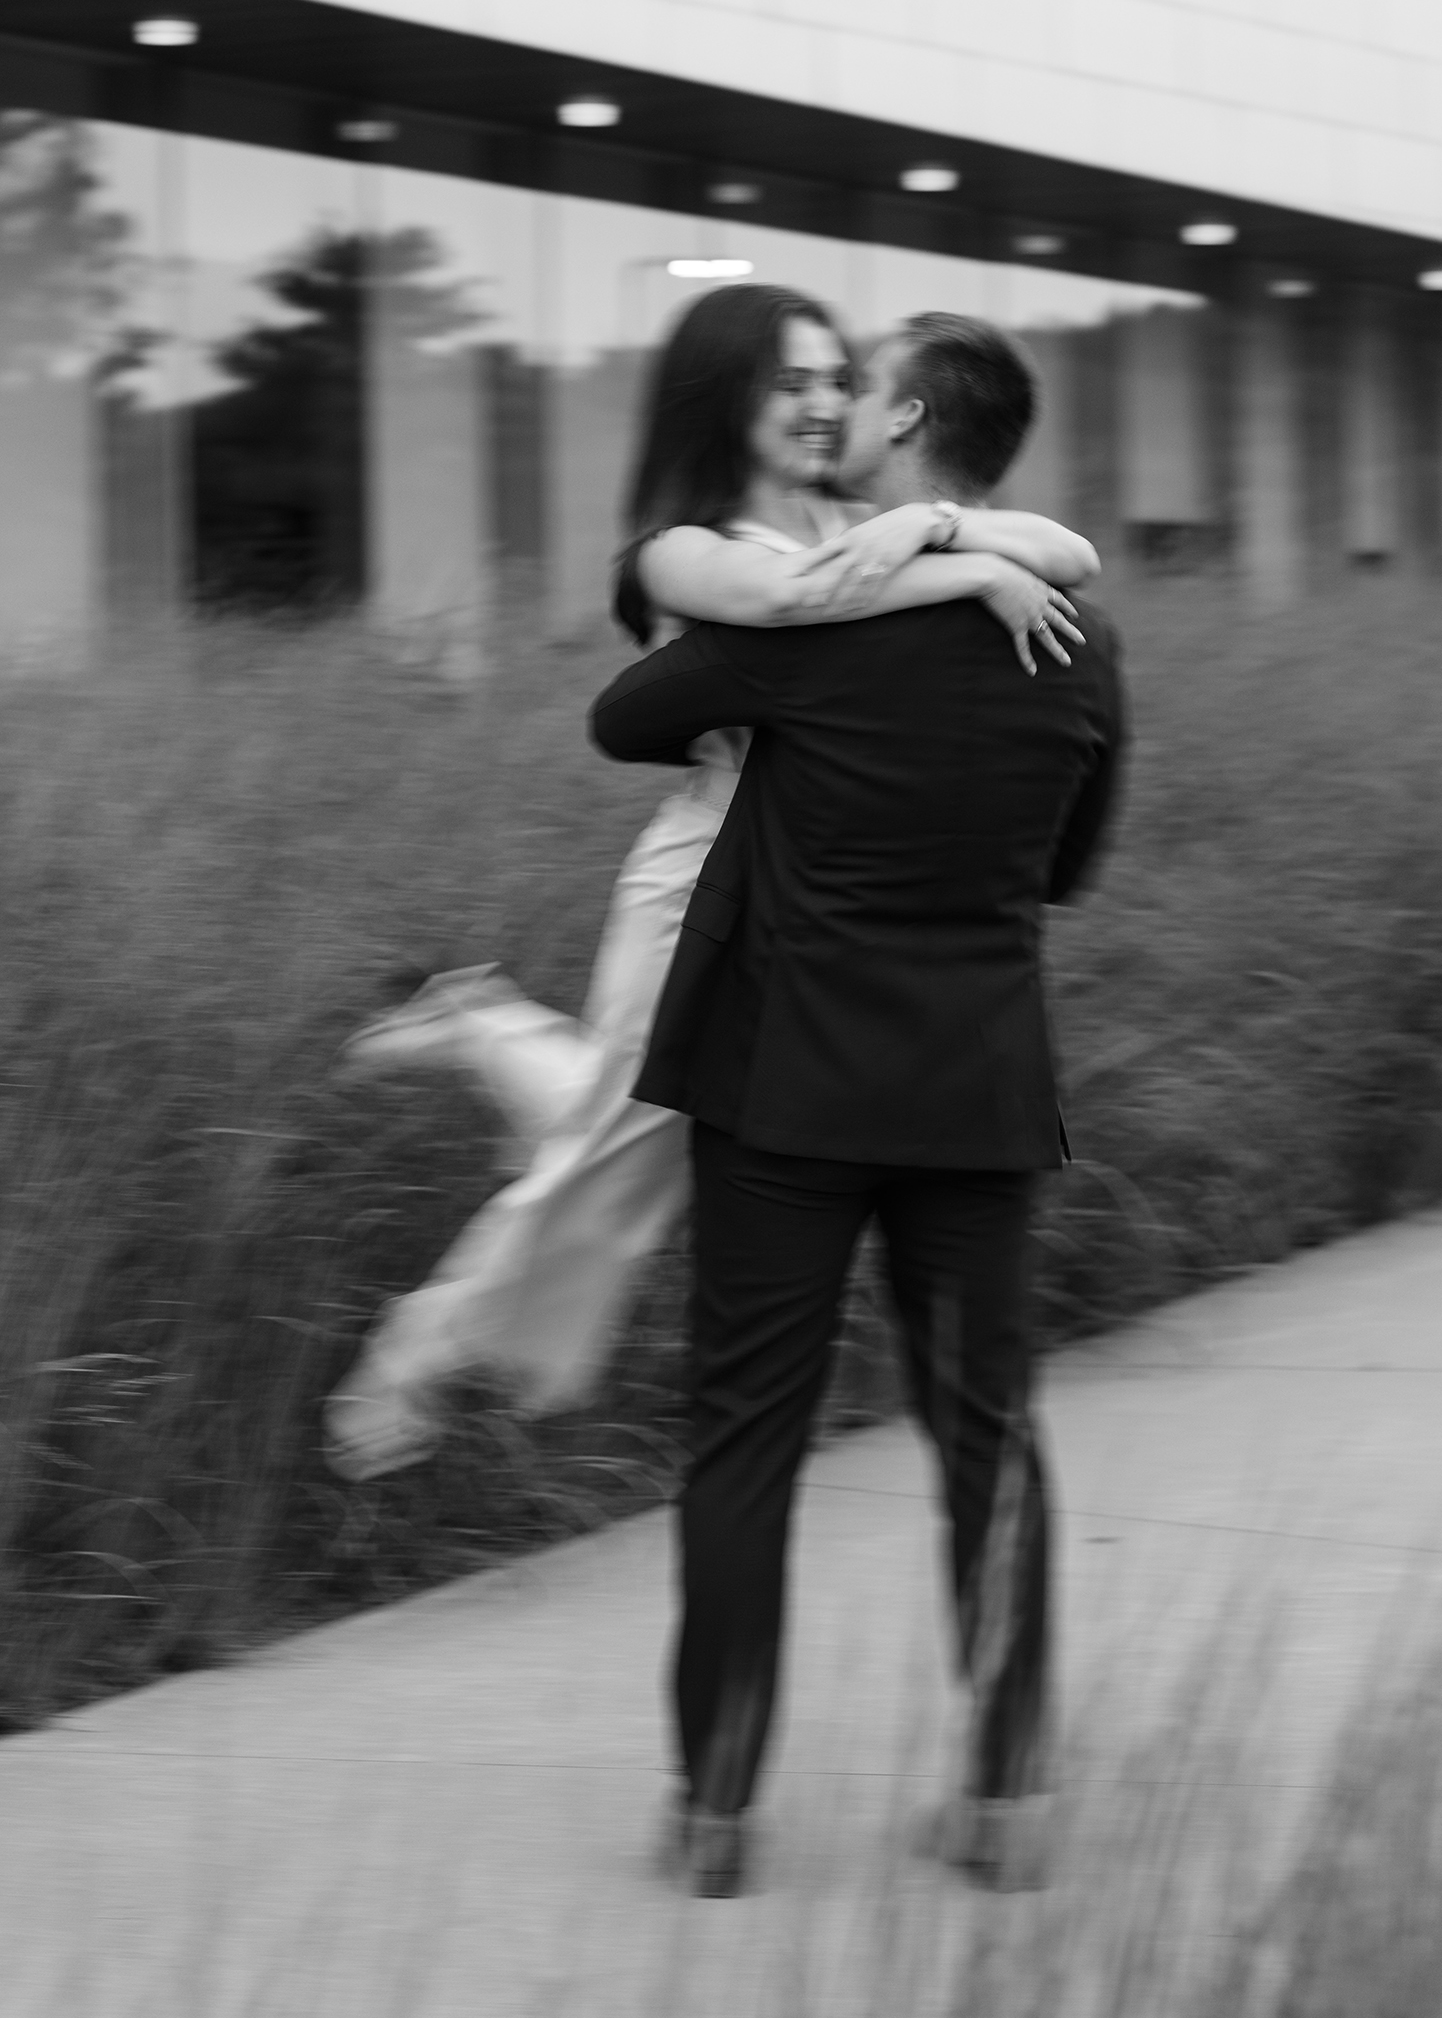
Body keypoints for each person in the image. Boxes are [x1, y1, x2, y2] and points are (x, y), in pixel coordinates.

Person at [324, 286, 1099, 1480]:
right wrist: (962, 570)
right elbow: (798, 604)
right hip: (702, 887)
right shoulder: (683, 549)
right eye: (788, 383)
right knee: (615, 1156)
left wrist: (929, 526)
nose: (823, 402)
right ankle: (417, 1350)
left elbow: (1072, 552)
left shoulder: (856, 515)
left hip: (807, 885)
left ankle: (482, 1022)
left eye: (834, 379)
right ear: (722, 397)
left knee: (634, 1138)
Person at [590, 311, 1125, 1899]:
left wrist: (765, 720)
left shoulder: (811, 623)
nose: (831, 409)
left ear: (900, 424)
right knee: (988, 1442)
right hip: (974, 1084)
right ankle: (1006, 1803)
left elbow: (622, 719)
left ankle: (716, 1813)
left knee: (744, 1440)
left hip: (785, 1090)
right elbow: (1071, 868)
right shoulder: (1079, 640)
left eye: (855, 383)